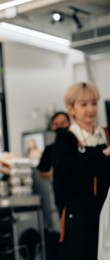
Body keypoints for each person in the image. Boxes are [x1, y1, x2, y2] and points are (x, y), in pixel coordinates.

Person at [53, 81, 110, 260]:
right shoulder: (65, 138)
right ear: (71, 108)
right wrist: (103, 154)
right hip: (80, 220)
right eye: (83, 104)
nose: (90, 109)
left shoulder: (106, 134)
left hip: (107, 215)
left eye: (94, 103)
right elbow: (65, 178)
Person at [37, 111, 71, 217]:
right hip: (61, 196)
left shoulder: (78, 143)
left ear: (69, 122)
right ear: (52, 127)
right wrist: (53, 172)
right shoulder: (50, 149)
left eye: (63, 122)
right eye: (56, 124)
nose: (60, 126)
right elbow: (41, 173)